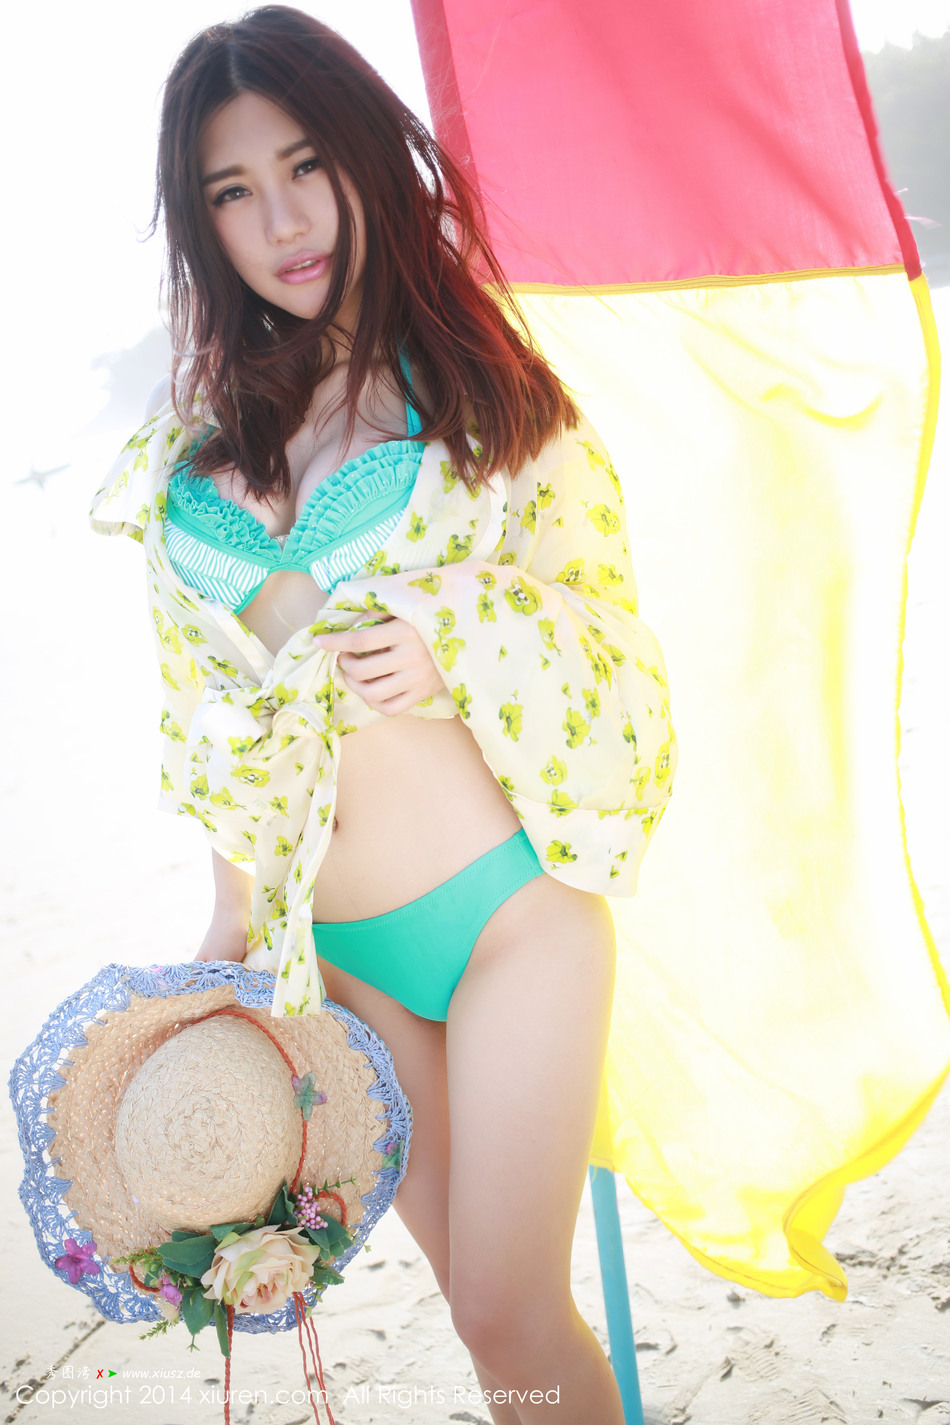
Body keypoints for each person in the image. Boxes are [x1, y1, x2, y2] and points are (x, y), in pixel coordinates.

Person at [91, 8, 675, 1422]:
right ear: (202, 222)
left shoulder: (485, 403)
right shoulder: (191, 456)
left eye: (307, 165)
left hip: (506, 921)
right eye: (234, 191)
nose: (283, 220)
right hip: (340, 959)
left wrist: (456, 634)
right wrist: (228, 924)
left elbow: (623, 662)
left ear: (364, 159)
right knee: (487, 1333)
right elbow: (209, 720)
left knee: (507, 1304)